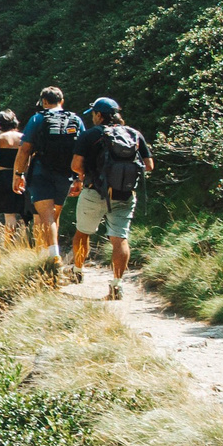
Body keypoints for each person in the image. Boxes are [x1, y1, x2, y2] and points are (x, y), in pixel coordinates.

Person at [73, 96, 154, 299]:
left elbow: (75, 165)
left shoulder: (90, 135)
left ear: (99, 115)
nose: (92, 117)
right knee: (120, 239)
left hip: (94, 191)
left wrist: (86, 174)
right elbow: (149, 166)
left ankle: (77, 271)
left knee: (83, 233)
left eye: (93, 114)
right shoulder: (134, 134)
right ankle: (117, 285)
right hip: (124, 194)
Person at [12, 86, 86, 268]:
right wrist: (79, 178)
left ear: (44, 102)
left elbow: (25, 149)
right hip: (66, 174)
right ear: (62, 101)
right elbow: (82, 151)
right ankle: (46, 255)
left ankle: (53, 256)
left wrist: (18, 174)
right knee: (53, 217)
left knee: (46, 216)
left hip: (41, 172)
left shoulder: (38, 118)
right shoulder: (75, 119)